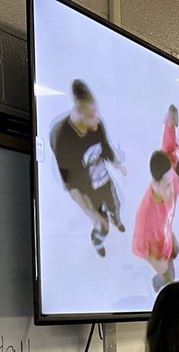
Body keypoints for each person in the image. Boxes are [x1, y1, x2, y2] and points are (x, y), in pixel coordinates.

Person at [50, 79, 127, 258]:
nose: (97, 120)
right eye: (91, 116)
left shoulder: (96, 124)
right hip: (87, 191)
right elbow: (73, 187)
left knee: (116, 205)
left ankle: (117, 219)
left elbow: (105, 147)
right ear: (78, 112)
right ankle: (97, 240)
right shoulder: (62, 138)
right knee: (103, 227)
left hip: (103, 179)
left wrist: (118, 164)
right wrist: (92, 215)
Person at [133, 150, 179, 292]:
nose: (173, 189)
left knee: (176, 249)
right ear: (155, 185)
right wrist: (156, 263)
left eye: (172, 181)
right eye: (167, 185)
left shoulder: (171, 185)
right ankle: (156, 283)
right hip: (159, 251)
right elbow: (138, 245)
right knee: (170, 275)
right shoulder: (145, 216)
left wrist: (170, 234)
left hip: (167, 235)